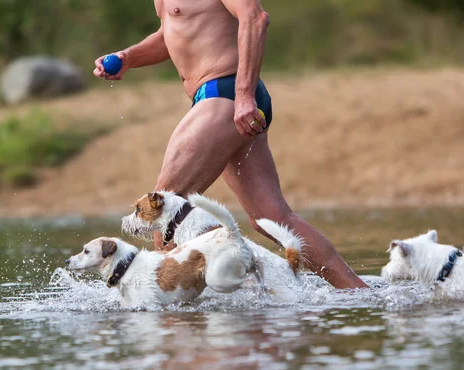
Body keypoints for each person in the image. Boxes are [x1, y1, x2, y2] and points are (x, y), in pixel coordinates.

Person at [93, 0, 368, 289]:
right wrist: (128, 57)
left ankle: (168, 318)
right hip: (219, 98)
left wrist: (244, 95)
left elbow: (255, 18)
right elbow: (172, 30)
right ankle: (358, 292)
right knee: (270, 217)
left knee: (166, 203)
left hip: (228, 95)